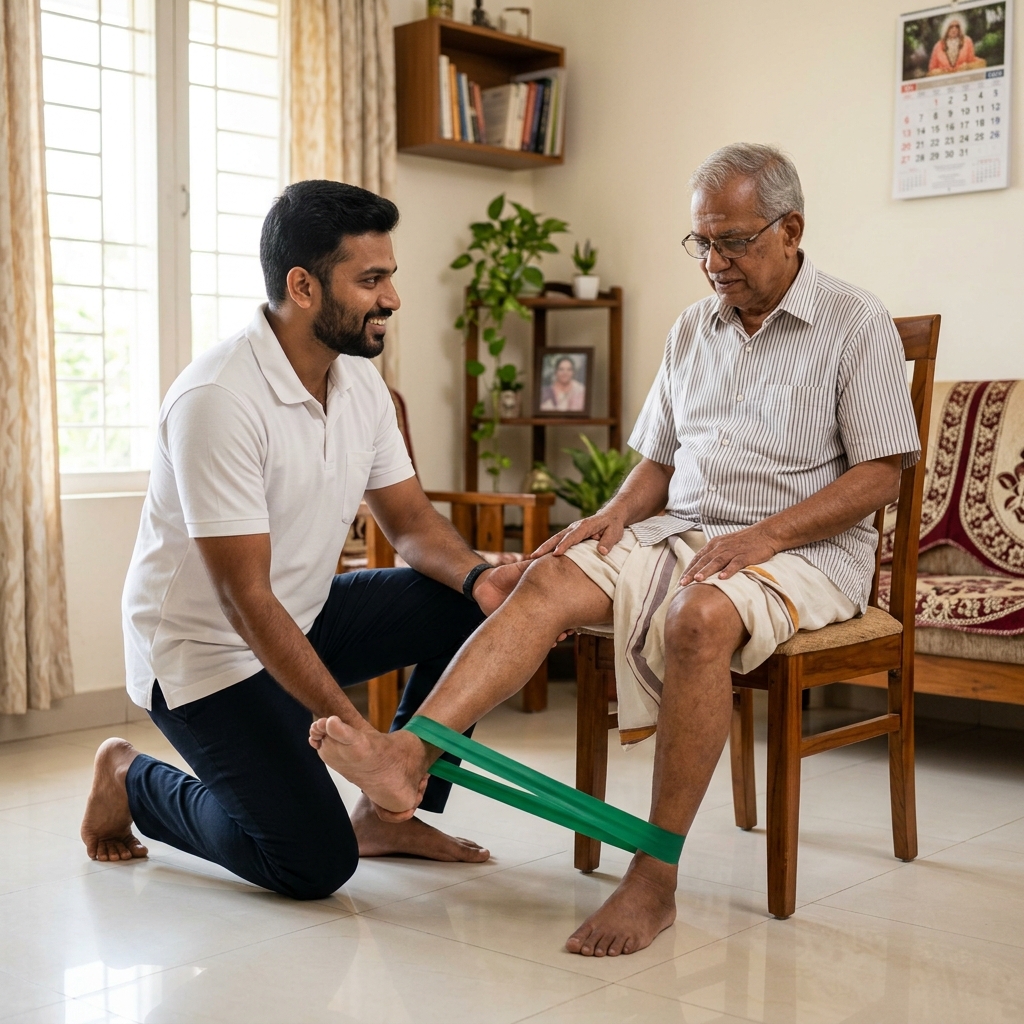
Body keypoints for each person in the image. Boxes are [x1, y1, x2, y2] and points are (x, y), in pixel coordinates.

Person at [309, 144, 922, 954]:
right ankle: (403, 769)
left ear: (791, 229)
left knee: (699, 618)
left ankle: (653, 877)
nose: (714, 262)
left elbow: (881, 474)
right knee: (542, 577)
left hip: (806, 551)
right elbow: (658, 463)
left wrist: (764, 536)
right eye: (701, 242)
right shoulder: (693, 328)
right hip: (686, 532)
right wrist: (611, 516)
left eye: (733, 242)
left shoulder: (855, 321)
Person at [80, 180, 521, 899]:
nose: (392, 299)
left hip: (303, 616)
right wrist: (363, 742)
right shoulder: (218, 399)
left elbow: (411, 521)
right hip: (204, 654)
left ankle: (390, 816)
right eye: (370, 280)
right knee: (312, 864)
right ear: (303, 286)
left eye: (389, 277)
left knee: (471, 608)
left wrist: (481, 578)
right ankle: (132, 779)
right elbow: (246, 601)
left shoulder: (359, 384)